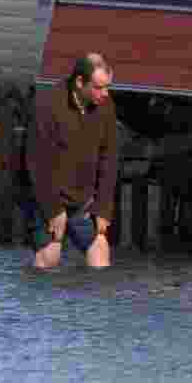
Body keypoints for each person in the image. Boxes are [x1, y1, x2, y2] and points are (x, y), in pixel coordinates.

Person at [23, 53, 118, 270]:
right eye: (99, 87)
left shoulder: (105, 105)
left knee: (100, 256)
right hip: (46, 197)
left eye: (107, 87)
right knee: (49, 258)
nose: (105, 93)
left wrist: (103, 209)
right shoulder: (47, 105)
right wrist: (53, 211)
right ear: (79, 82)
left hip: (81, 199)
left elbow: (109, 158)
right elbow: (37, 164)